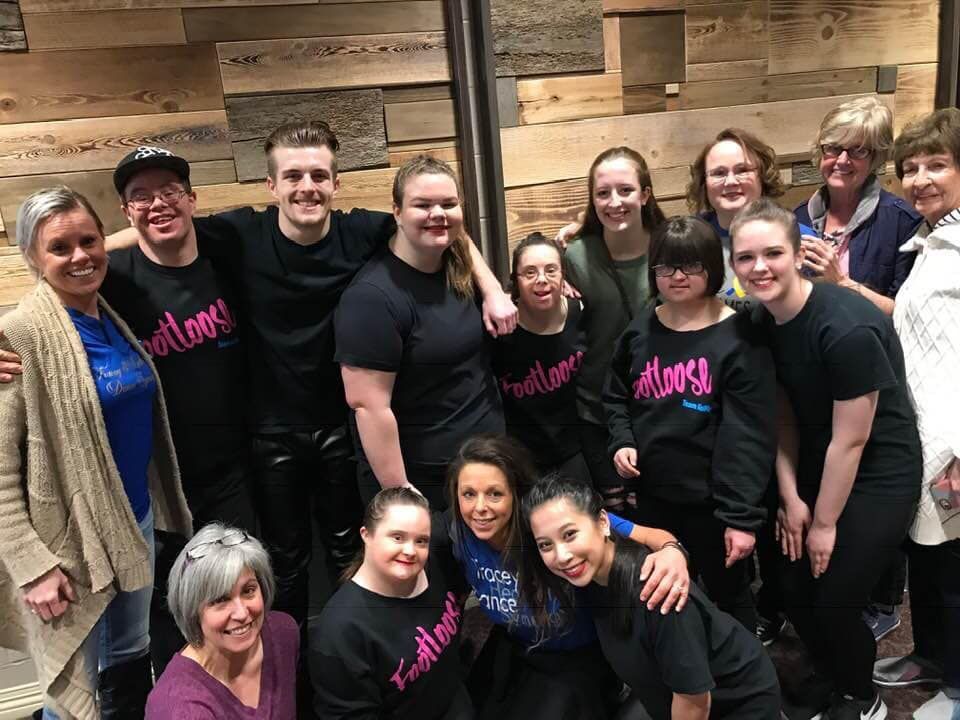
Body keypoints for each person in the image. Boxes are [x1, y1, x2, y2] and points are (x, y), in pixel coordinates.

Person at [0, 187, 192, 719]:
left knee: (128, 665)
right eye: (60, 248)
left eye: (89, 240)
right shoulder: (21, 336)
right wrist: (30, 566)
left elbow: (143, 235)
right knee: (79, 689)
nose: (80, 256)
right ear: (33, 259)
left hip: (133, 525)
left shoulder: (109, 315)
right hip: (69, 548)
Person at [729, 197, 922, 720]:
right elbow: (785, 417)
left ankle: (864, 696)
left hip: (877, 470)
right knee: (791, 583)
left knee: (835, 595)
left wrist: (825, 523)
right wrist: (791, 499)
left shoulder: (846, 327)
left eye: (772, 253)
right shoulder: (761, 320)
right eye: (745, 258)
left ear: (798, 254)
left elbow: (852, 442)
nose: (759, 267)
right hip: (814, 459)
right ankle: (830, 673)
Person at [603, 215, 776, 632]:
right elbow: (614, 396)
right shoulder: (641, 328)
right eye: (665, 267)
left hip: (714, 505)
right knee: (663, 593)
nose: (677, 277)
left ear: (712, 268)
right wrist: (622, 441)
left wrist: (740, 518)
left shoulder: (739, 336)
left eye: (691, 266)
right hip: (655, 497)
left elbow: (749, 437)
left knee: (729, 598)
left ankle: (745, 683)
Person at [445, 434, 690, 720]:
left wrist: (673, 553)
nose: (480, 508)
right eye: (468, 494)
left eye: (495, 493)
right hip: (516, 643)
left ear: (516, 492)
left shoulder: (549, 523)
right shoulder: (457, 533)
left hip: (577, 652)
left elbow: (655, 537)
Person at [520, 476, 781, 720]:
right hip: (670, 695)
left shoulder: (656, 593)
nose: (562, 555)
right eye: (546, 545)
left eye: (570, 534)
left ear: (602, 522)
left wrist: (673, 549)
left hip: (736, 704)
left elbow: (695, 701)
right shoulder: (589, 577)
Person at [335, 155, 504, 508]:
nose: (438, 213)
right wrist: (401, 494)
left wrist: (497, 289)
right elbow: (369, 407)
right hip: (429, 480)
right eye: (422, 205)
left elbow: (456, 237)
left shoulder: (457, 264)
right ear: (396, 212)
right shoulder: (371, 299)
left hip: (487, 464)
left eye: (448, 203)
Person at [872, 107, 960, 720]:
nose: (921, 178)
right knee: (927, 561)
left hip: (953, 444)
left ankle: (956, 689)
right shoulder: (931, 241)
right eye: (911, 168)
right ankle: (932, 658)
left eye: (938, 164)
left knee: (954, 572)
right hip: (922, 435)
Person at [310, 487, 473, 719]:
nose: (410, 551)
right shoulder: (338, 633)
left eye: (421, 541)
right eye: (397, 537)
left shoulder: (435, 562)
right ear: (366, 535)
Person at [563, 147, 666, 506]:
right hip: (597, 411)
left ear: (646, 194)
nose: (614, 202)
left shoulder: (670, 247)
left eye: (625, 190)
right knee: (616, 521)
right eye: (603, 193)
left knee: (659, 514)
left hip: (662, 409)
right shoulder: (575, 256)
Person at [146, 523, 296, 719]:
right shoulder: (180, 709)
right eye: (220, 600)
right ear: (192, 611)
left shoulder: (283, 633)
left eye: (248, 590)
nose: (241, 613)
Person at [794, 96, 922, 316]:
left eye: (858, 150)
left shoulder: (904, 222)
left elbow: (906, 315)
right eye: (833, 148)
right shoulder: (797, 217)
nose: (842, 160)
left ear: (876, 158)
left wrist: (841, 282)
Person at [491, 232, 589, 484]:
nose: (542, 280)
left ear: (563, 275)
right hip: (518, 458)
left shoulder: (581, 313)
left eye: (551, 270)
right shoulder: (499, 328)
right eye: (530, 272)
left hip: (572, 451)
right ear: (516, 280)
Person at [686, 127, 814, 312]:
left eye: (742, 170)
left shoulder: (800, 238)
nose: (730, 182)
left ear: (762, 177)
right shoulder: (692, 237)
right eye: (719, 173)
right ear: (703, 183)